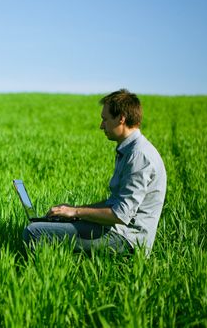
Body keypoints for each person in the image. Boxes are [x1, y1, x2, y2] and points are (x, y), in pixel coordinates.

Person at [22, 89, 167, 256]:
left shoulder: (138, 156)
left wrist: (75, 212)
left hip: (127, 240)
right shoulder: (130, 150)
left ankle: (37, 278)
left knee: (34, 232)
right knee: (50, 224)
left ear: (121, 118)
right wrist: (73, 211)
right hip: (116, 230)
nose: (101, 126)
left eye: (105, 119)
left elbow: (120, 214)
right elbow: (115, 203)